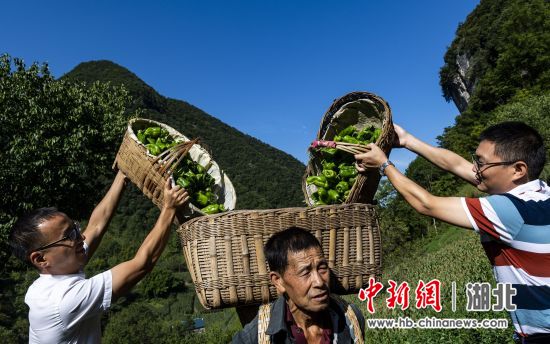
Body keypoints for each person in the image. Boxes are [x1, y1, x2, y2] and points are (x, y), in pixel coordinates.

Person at [354, 121, 549, 343]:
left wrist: (384, 165)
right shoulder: (542, 192)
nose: (474, 168)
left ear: (518, 169)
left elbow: (426, 204)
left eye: (481, 163)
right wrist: (407, 140)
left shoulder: (508, 211)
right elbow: (456, 165)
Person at [9, 171, 189, 343]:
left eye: (75, 229)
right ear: (40, 259)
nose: (81, 237)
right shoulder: (63, 301)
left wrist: (123, 175)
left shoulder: (58, 268)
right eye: (69, 235)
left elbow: (96, 226)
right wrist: (169, 208)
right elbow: (142, 264)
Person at [232, 227, 365, 344]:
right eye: (305, 272)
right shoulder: (256, 336)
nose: (319, 282)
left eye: (322, 268)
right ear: (278, 281)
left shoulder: (350, 319)